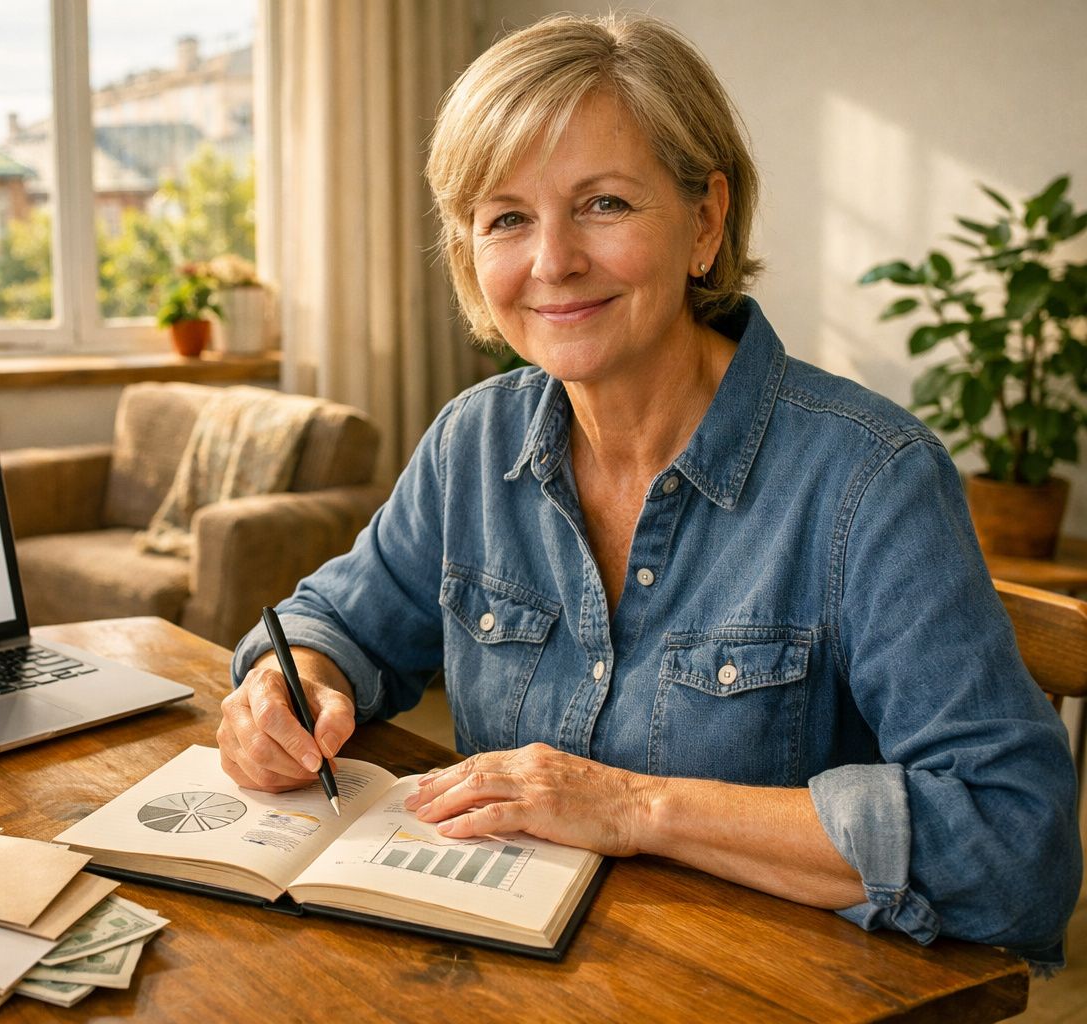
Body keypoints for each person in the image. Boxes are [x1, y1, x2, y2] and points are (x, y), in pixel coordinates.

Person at [220, 12, 1080, 967]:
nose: (552, 262)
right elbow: (334, 625)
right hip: (503, 970)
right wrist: (286, 686)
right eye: (507, 217)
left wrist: (635, 807)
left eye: (604, 205)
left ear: (705, 221)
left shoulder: (872, 479)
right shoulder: (474, 440)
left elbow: (1015, 848)